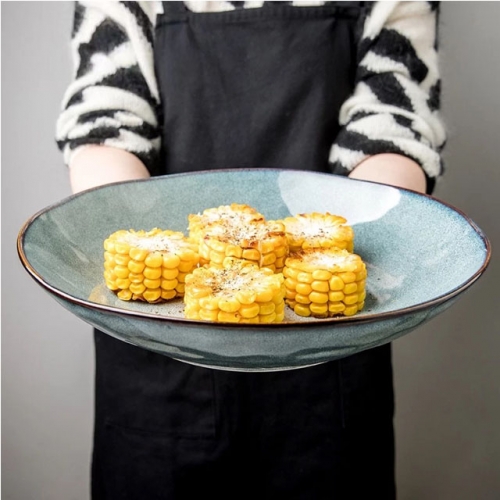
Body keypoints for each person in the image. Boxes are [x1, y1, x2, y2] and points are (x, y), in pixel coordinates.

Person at [56, 2, 446, 499]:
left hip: (331, 362)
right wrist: (141, 241)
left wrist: (358, 232)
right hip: (159, 361)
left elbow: (396, 124)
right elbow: (104, 121)